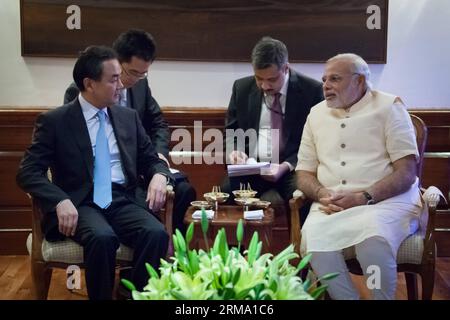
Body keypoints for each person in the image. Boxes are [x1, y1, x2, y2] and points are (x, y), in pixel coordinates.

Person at [17, 46, 172, 300]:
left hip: (122, 198)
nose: (121, 85)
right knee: (102, 238)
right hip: (80, 202)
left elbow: (150, 159)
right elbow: (27, 171)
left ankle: (137, 296)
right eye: (113, 79)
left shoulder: (127, 117)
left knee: (155, 234)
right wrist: (59, 200)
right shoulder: (55, 121)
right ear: (90, 84)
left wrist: (159, 175)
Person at [296, 53, 423, 300]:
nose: (326, 86)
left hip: (385, 202)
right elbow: (304, 172)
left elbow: (407, 172)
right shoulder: (316, 114)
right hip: (331, 204)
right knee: (317, 245)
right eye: (324, 79)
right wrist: (322, 194)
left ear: (360, 82)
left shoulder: (389, 107)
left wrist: (364, 197)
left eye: (335, 79)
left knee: (372, 241)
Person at [64, 29, 196, 234]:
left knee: (184, 191)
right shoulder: (83, 90)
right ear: (116, 62)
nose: (137, 78)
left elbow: (158, 123)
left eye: (143, 73)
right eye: (133, 72)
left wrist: (159, 155)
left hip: (142, 165)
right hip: (108, 177)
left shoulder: (141, 86)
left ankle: (170, 253)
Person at [222, 36, 323, 221]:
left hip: (292, 168)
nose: (264, 86)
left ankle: (298, 249)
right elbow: (232, 131)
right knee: (227, 191)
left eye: (271, 79)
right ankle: (234, 250)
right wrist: (234, 151)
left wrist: (285, 166)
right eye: (259, 78)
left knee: (303, 196)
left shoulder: (312, 91)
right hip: (253, 167)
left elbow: (318, 141)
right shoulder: (241, 87)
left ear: (286, 68)